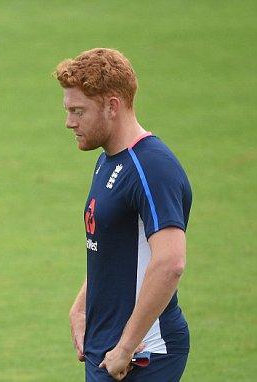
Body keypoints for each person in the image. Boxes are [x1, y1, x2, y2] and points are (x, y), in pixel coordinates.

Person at [54, 48, 192, 381]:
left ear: (112, 106)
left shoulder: (151, 168)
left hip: (143, 356)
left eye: (78, 111)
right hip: (107, 347)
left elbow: (170, 262)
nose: (69, 122)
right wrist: (82, 305)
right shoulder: (109, 160)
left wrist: (126, 347)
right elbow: (116, 247)